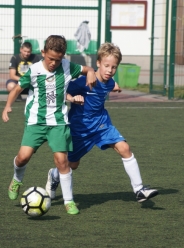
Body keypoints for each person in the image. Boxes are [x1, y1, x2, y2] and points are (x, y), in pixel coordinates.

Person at [45, 42, 158, 207]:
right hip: (80, 129)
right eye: (106, 66)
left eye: (114, 67)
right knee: (72, 165)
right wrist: (72, 98)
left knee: (125, 148)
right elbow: (62, 90)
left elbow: (109, 86)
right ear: (98, 63)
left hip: (102, 125)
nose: (109, 70)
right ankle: (54, 175)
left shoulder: (110, 81)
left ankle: (139, 189)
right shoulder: (84, 82)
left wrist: (115, 87)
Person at [2, 35, 97, 215]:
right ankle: (16, 179)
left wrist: (91, 71)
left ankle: (69, 201)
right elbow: (17, 89)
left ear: (63, 57)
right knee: (23, 157)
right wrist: (7, 106)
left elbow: (87, 69)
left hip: (58, 122)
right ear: (43, 53)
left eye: (58, 59)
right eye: (50, 58)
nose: (54, 63)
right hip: (35, 121)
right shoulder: (34, 70)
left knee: (62, 161)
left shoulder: (68, 66)